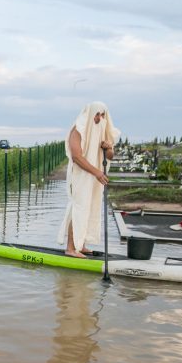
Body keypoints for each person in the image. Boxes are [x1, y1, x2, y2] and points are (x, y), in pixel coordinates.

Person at [58, 101, 122, 257]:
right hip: (81, 175)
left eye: (102, 115)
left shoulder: (101, 130)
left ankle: (81, 244)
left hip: (94, 176)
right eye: (97, 114)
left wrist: (108, 148)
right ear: (90, 114)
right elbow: (77, 157)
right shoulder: (78, 129)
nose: (99, 118)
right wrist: (97, 173)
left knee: (90, 207)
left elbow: (110, 156)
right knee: (79, 207)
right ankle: (71, 248)